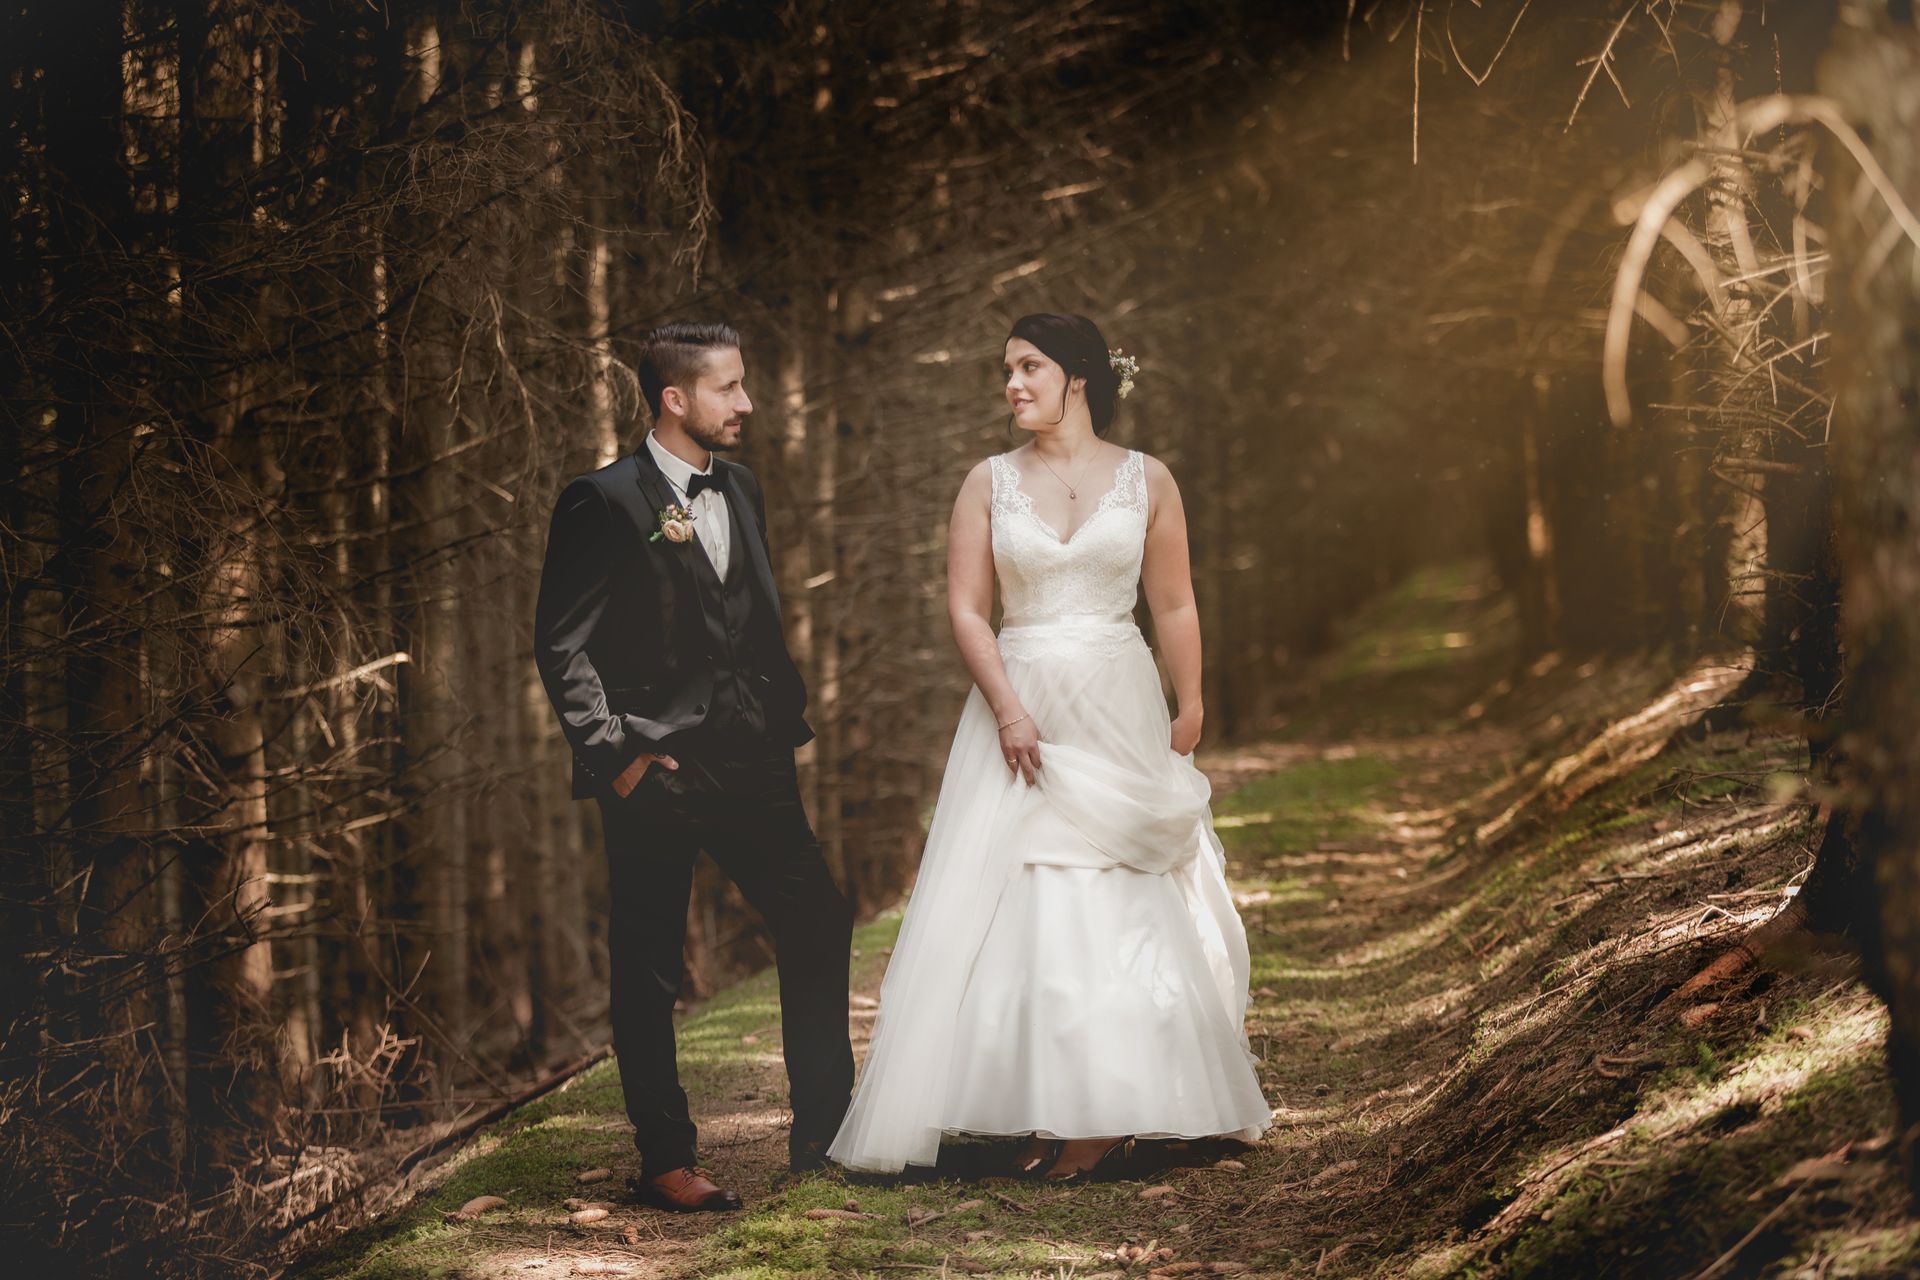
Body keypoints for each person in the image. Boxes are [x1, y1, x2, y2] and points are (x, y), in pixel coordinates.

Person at [827, 313, 1271, 1180]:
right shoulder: (987, 482)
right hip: (1022, 696)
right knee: (1024, 892)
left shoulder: (1149, 479)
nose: (1013, 384)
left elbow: (1173, 602)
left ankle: (1108, 1109)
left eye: (1030, 366)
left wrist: (1191, 700)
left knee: (1118, 886)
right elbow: (967, 610)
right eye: (1008, 369)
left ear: (1079, 376)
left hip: (1116, 695)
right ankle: (1041, 1101)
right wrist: (1008, 709)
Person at [533, 322, 854, 1211]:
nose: (746, 403)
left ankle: (823, 1140)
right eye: (728, 388)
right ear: (675, 400)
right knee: (649, 965)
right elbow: (561, 645)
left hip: (754, 760)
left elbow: (742, 615)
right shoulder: (601, 501)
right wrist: (617, 755)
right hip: (658, 770)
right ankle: (666, 1160)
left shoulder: (740, 486)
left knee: (819, 921)